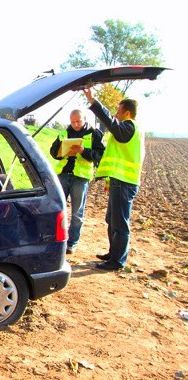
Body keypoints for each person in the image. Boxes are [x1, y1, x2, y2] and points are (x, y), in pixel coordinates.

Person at [82, 88, 143, 271]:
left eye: (118, 111)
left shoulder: (129, 126)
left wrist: (94, 103)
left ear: (127, 112)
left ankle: (117, 261)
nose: (116, 114)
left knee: (120, 224)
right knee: (112, 220)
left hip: (125, 183)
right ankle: (113, 253)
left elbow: (112, 124)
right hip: (119, 181)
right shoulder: (128, 129)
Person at [50, 109, 104, 254]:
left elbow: (100, 155)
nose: (75, 124)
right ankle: (55, 239)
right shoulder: (64, 133)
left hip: (80, 177)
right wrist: (62, 151)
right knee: (56, 209)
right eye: (73, 121)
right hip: (63, 175)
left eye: (78, 121)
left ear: (85, 119)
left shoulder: (95, 134)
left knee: (76, 213)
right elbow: (53, 152)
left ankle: (72, 242)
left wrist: (83, 151)